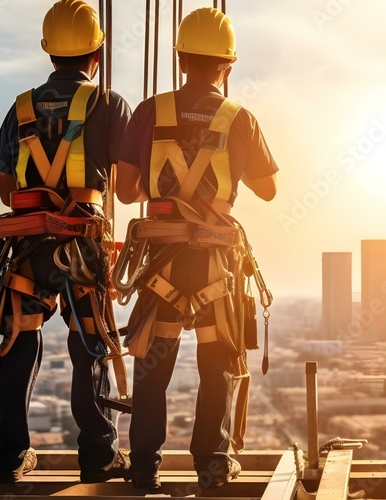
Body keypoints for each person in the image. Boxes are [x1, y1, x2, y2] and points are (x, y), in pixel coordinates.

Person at [114, 7, 278, 490]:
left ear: (181, 58)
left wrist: (165, 188)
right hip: (214, 258)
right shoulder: (239, 117)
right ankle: (211, 464)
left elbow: (125, 192)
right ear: (228, 66)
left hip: (162, 258)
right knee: (217, 362)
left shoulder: (150, 110)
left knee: (154, 359)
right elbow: (267, 190)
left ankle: (143, 466)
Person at [0, 0, 132, 484]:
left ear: (48, 52)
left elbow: (8, 190)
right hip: (80, 245)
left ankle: (7, 456)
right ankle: (97, 454)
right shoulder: (109, 103)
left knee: (18, 340)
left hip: (28, 245)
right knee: (88, 344)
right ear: (97, 53)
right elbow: (128, 185)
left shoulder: (22, 106)